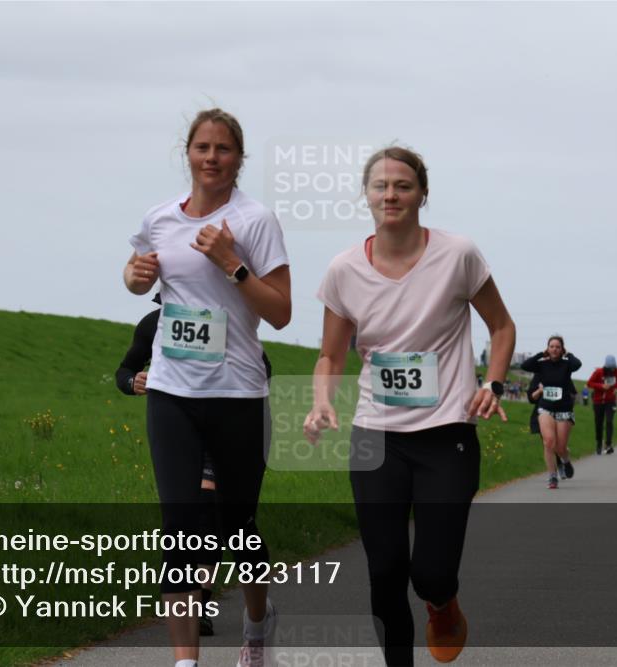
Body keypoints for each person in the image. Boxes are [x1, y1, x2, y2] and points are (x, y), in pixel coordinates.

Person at [303, 146, 516, 666]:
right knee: (384, 571)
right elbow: (330, 355)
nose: (390, 194)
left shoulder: (458, 255)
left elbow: (502, 327)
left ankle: (443, 605)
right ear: (366, 195)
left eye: (402, 185)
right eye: (380, 185)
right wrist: (321, 402)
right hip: (376, 437)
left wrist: (493, 382)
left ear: (422, 193)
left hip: (447, 435)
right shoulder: (344, 270)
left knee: (432, 574)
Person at [124, 108, 291, 667]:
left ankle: (259, 623)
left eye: (223, 149)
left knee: (236, 528)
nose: (212, 158)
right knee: (179, 526)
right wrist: (134, 277)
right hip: (173, 391)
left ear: (240, 158)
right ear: (187, 153)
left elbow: (283, 313)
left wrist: (232, 265)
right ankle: (185, 662)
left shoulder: (256, 220)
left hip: (237, 392)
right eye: (202, 147)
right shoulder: (160, 217)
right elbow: (136, 269)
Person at [115, 294, 275, 638]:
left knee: (236, 523)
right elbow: (125, 369)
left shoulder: (232, 320)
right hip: (184, 425)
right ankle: (199, 602)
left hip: (233, 422)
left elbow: (264, 368)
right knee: (199, 510)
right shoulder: (153, 324)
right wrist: (133, 381)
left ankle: (257, 615)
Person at [521, 336, 581, 489]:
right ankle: (552, 476)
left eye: (557, 347)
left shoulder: (567, 365)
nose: (554, 349)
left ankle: (565, 460)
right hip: (545, 407)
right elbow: (525, 365)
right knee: (548, 442)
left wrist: (569, 355)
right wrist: (541, 354)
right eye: (551, 346)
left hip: (564, 409)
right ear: (547, 348)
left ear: (562, 350)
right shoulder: (542, 365)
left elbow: (577, 364)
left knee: (560, 447)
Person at [586, 355, 617, 455]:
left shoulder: (616, 371)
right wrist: (601, 386)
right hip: (598, 401)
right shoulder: (598, 372)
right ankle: (599, 443)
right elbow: (589, 383)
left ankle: (608, 444)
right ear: (606, 366)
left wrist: (616, 388)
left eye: (614, 367)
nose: (612, 370)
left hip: (610, 400)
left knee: (609, 421)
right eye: (610, 368)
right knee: (599, 423)